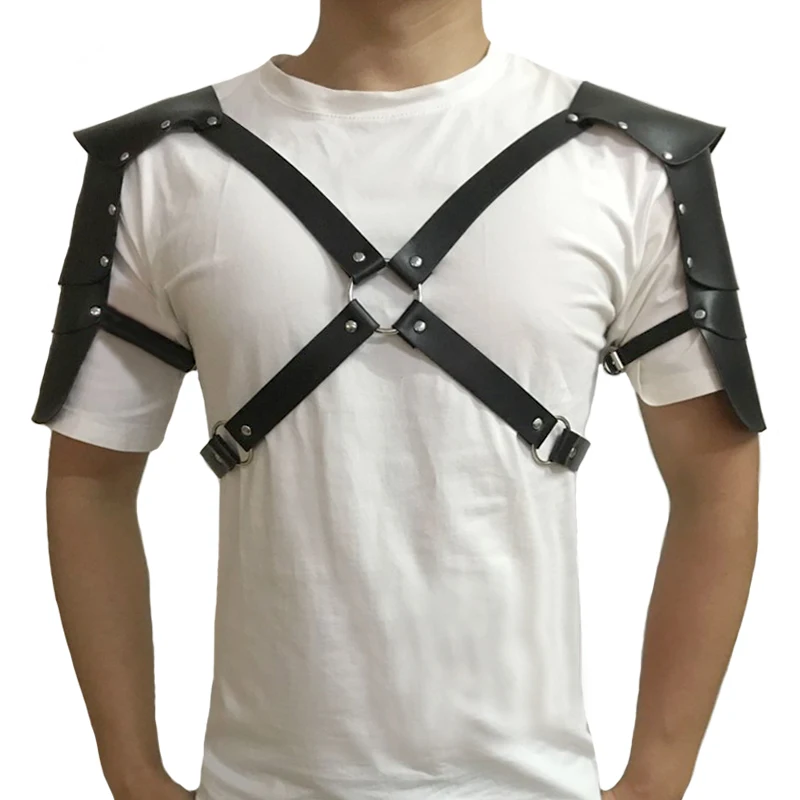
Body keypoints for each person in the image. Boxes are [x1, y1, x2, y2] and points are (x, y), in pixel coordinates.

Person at [35, 1, 763, 799]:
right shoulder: (161, 171)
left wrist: (659, 776)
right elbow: (91, 481)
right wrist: (133, 775)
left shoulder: (627, 167)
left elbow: (715, 479)